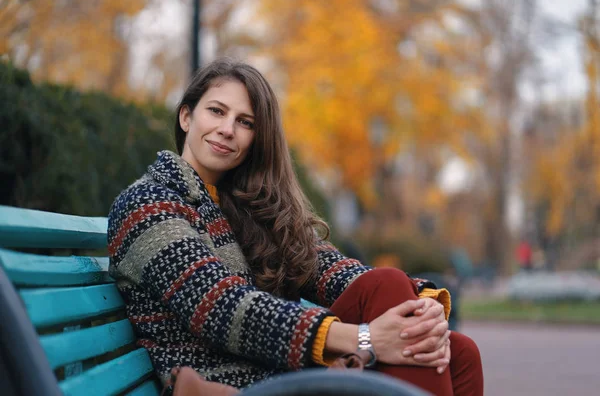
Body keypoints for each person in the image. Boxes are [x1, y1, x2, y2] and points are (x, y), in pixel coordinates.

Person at [107, 58, 483, 396]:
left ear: (256, 138)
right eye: (216, 112)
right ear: (186, 117)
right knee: (415, 327)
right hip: (230, 384)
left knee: (458, 351)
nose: (226, 129)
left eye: (245, 122)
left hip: (277, 374)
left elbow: (324, 267)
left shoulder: (243, 206)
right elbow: (221, 307)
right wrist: (365, 338)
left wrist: (422, 304)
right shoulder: (149, 204)